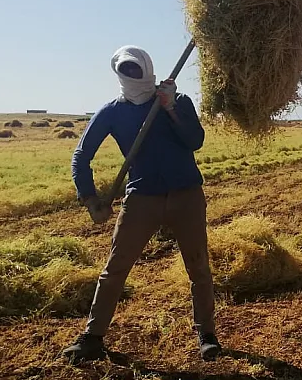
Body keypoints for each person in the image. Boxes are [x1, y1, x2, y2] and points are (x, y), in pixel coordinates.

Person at [61, 45, 221, 363]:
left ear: (148, 69)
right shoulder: (113, 111)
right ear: (119, 73)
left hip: (186, 195)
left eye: (137, 69)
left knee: (198, 267)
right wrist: (90, 198)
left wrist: (171, 107)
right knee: (115, 269)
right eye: (127, 70)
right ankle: (93, 337)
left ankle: (207, 334)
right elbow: (82, 155)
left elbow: (196, 141)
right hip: (142, 198)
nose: (133, 75)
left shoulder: (178, 100)